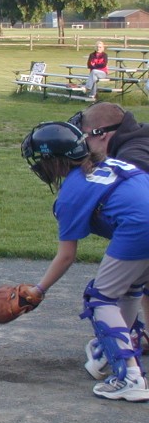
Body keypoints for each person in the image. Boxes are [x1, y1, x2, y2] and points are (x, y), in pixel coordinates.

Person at [20, 120, 149, 401]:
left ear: (53, 161)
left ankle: (130, 377)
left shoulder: (72, 193)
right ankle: (108, 354)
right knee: (128, 289)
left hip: (140, 227)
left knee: (100, 298)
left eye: (41, 159)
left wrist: (38, 290)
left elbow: (66, 256)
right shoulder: (112, 164)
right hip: (141, 224)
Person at [73, 102, 149, 360]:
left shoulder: (131, 155)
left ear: (101, 134)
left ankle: (121, 367)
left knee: (105, 295)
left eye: (86, 136)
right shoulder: (141, 137)